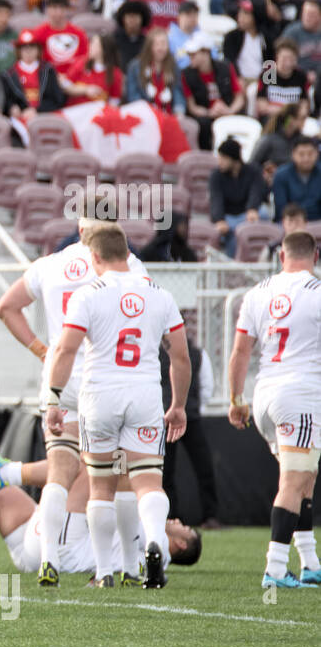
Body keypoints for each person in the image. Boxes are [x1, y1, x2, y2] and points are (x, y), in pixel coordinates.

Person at [0, 215, 148, 587]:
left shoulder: (50, 265)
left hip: (61, 379)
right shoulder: (129, 264)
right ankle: (117, 565)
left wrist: (41, 350)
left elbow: (5, 308)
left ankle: (49, 558)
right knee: (111, 476)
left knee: (60, 473)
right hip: (107, 379)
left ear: (79, 229)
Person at [46, 223, 189, 589]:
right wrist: (178, 406)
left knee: (101, 487)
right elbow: (181, 358)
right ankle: (153, 543)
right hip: (144, 394)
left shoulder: (88, 295)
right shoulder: (160, 294)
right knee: (146, 482)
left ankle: (106, 572)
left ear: (94, 257)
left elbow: (65, 350)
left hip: (100, 396)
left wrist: (53, 399)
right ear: (129, 254)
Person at [0, 447, 201, 576]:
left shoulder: (158, 553)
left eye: (183, 528)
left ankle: (9, 471)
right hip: (34, 548)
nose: (177, 521)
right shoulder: (147, 524)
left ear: (180, 544)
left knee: (86, 465)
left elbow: (137, 569)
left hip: (64, 552)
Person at [228, 230, 321, 588]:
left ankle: (310, 561)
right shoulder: (316, 294)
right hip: (300, 395)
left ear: (281, 256)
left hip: (265, 394)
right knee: (294, 482)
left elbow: (240, 352)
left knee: (304, 479)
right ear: (314, 256)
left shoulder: (258, 292)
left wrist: (236, 399)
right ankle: (275, 568)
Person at [160, 326, 218, 529]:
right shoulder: (193, 353)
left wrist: (191, 409)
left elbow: (206, 386)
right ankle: (172, 517)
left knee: (203, 467)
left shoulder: (196, 354)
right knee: (166, 472)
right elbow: (206, 387)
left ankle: (209, 516)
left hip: (186, 417)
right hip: (172, 417)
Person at [181, 32, 244, 149]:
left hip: (226, 109)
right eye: (189, 54)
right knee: (202, 124)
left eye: (194, 54)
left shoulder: (225, 67)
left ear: (206, 53)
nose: (190, 57)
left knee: (241, 118)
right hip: (205, 114)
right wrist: (209, 112)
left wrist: (230, 110)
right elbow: (192, 106)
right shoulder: (186, 74)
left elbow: (239, 97)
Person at [209, 138, 265, 254]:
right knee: (226, 230)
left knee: (263, 214)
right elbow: (216, 199)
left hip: (246, 214)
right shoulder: (216, 175)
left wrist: (252, 208)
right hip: (228, 216)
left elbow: (256, 191)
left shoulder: (253, 171)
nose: (220, 162)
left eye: (223, 158)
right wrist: (219, 219)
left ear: (234, 159)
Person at [3, 28, 65, 117]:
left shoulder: (48, 71)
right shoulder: (9, 74)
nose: (28, 51)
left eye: (32, 47)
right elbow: (6, 99)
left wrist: (37, 110)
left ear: (38, 49)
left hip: (45, 116)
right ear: (18, 51)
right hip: (20, 118)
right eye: (24, 47)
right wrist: (11, 107)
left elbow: (58, 99)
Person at [124, 26, 185, 113]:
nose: (160, 48)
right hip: (144, 114)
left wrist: (179, 111)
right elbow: (133, 96)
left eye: (163, 44)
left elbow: (177, 92)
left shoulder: (173, 66)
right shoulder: (135, 66)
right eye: (156, 44)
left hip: (168, 115)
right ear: (149, 46)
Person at [30, 0, 87, 73]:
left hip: (75, 79)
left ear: (67, 10)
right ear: (47, 9)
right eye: (54, 8)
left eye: (62, 8)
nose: (58, 12)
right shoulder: (38, 34)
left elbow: (84, 60)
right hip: (48, 79)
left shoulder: (79, 34)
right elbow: (34, 62)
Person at [62, 32, 125, 105]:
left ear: (104, 50)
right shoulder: (81, 62)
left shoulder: (115, 73)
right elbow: (66, 86)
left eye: (94, 44)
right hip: (75, 109)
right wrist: (85, 90)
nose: (89, 46)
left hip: (98, 112)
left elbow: (114, 100)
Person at [252, 101, 306, 184]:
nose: (305, 121)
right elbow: (252, 164)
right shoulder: (268, 139)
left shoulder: (302, 140)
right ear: (291, 119)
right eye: (302, 118)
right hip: (273, 182)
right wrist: (264, 171)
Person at [255, 37, 308, 122]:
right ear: (277, 56)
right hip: (272, 118)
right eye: (284, 58)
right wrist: (284, 111)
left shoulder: (300, 76)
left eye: (291, 59)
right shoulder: (269, 73)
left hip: (293, 120)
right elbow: (262, 105)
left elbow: (304, 103)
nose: (287, 63)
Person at [272, 136, 321, 220]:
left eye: (310, 154)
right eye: (301, 154)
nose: (306, 159)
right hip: (290, 222)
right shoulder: (281, 175)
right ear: (293, 154)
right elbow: (281, 208)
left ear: (317, 153)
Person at [223, 0, 270, 83]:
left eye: (246, 13)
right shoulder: (231, 37)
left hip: (261, 84)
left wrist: (266, 86)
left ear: (256, 15)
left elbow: (270, 64)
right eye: (240, 12)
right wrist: (237, 80)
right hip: (239, 82)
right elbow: (229, 62)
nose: (240, 16)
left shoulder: (267, 38)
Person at [281, 0, 321, 76]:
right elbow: (283, 58)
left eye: (311, 14)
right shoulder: (292, 32)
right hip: (298, 77)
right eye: (304, 13)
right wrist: (305, 75)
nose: (307, 17)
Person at [168, 0, 208, 68]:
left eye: (195, 14)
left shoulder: (203, 37)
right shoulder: (169, 39)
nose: (192, 18)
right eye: (188, 14)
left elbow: (214, 58)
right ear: (179, 16)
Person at [114, 0, 151, 70]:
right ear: (123, 18)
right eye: (129, 16)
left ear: (142, 18)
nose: (132, 19)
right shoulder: (114, 40)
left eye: (136, 16)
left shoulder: (147, 42)